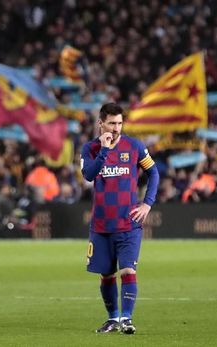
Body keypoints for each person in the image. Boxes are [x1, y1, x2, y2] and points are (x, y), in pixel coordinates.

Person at [81, 103, 159, 334]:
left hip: (128, 223)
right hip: (101, 225)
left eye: (119, 123)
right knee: (106, 274)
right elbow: (88, 175)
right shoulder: (91, 148)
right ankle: (113, 319)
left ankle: (126, 319)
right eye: (112, 123)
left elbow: (153, 172)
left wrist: (147, 204)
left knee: (127, 271)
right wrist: (104, 150)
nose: (116, 128)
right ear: (101, 123)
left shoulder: (134, 146)